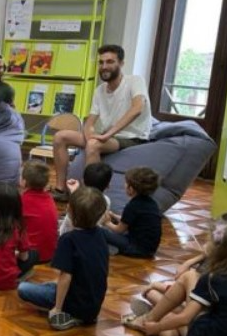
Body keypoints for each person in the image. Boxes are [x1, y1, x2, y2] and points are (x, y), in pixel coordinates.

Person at [128, 224, 227, 336]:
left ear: (219, 251)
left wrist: (156, 328)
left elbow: (185, 318)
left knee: (188, 280)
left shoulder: (212, 279)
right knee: (177, 306)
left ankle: (148, 321)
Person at [51, 45, 152, 201]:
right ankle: (60, 189)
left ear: (121, 63)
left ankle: (90, 198)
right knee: (60, 136)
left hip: (131, 137)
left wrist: (106, 135)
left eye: (110, 62)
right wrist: (89, 134)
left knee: (93, 145)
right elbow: (90, 120)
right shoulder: (100, 90)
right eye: (101, 62)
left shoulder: (135, 81)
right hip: (108, 136)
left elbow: (137, 108)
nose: (104, 66)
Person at [17, 187, 109, 330]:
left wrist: (57, 309)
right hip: (93, 304)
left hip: (75, 304)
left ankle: (70, 314)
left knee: (23, 289)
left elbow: (66, 276)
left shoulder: (68, 240)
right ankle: (76, 312)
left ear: (69, 210)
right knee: (50, 285)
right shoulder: (101, 234)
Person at [102, 166, 162, 258]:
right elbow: (127, 220)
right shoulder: (152, 203)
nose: (124, 185)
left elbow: (119, 229)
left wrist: (107, 223)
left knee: (101, 232)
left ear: (131, 189)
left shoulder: (132, 206)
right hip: (149, 248)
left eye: (126, 183)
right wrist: (113, 215)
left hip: (136, 248)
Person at [19, 161, 58, 262]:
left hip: (31, 255)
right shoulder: (49, 198)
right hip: (50, 254)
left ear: (24, 182)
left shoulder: (22, 201)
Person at [59, 162, 112, 235]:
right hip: (92, 237)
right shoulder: (106, 201)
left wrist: (74, 192)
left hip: (69, 235)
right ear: (108, 185)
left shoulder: (76, 200)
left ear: (83, 181)